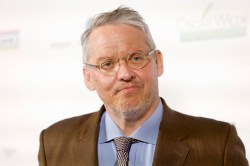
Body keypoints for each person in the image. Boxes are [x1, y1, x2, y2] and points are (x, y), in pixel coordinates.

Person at [38, 6, 248, 166]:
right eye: (107, 64)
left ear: (158, 62)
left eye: (136, 58)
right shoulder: (54, 143)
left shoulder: (218, 144)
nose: (125, 74)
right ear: (88, 78)